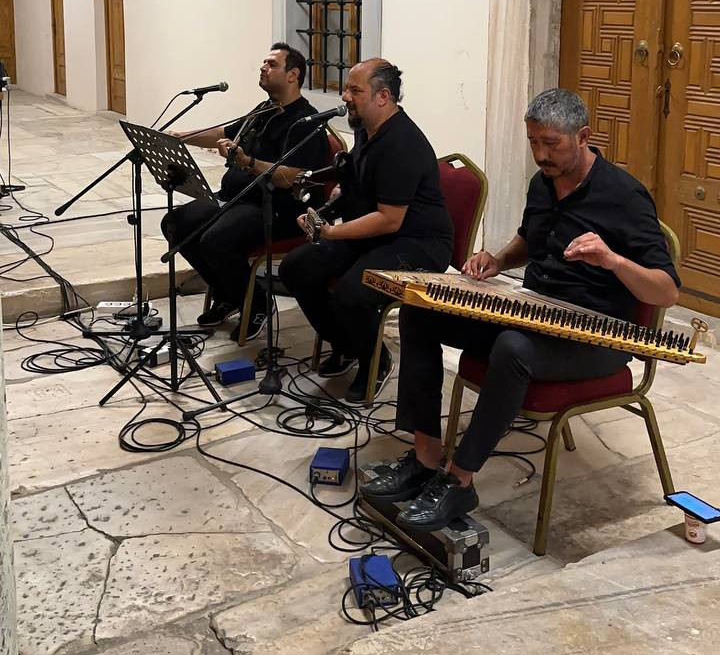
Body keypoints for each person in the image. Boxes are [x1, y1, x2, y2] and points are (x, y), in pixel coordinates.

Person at [362, 88, 681, 529]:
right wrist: (498, 259)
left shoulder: (624, 196)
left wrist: (612, 260)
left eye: (551, 143)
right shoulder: (543, 183)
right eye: (533, 142)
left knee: (513, 349)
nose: (541, 154)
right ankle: (425, 457)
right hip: (533, 312)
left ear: (583, 136)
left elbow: (666, 291)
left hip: (594, 338)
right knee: (420, 313)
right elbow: (532, 240)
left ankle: (459, 481)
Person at [279, 59, 454, 405]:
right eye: (346, 88)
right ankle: (348, 345)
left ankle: (375, 361)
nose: (345, 97)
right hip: (378, 235)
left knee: (351, 294)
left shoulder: (402, 143)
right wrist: (324, 213)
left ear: (382, 96)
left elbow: (390, 219)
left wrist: (332, 233)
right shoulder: (365, 129)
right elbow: (357, 186)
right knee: (296, 267)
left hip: (418, 244)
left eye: (354, 91)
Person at [162, 43, 328, 333]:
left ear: (293, 75)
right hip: (235, 199)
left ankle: (258, 304)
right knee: (176, 223)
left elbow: (292, 176)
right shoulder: (265, 109)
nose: (263, 67)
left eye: (272, 64)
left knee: (215, 240)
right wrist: (181, 137)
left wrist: (248, 162)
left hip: (274, 209)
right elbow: (223, 133)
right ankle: (230, 294)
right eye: (264, 62)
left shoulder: (305, 122)